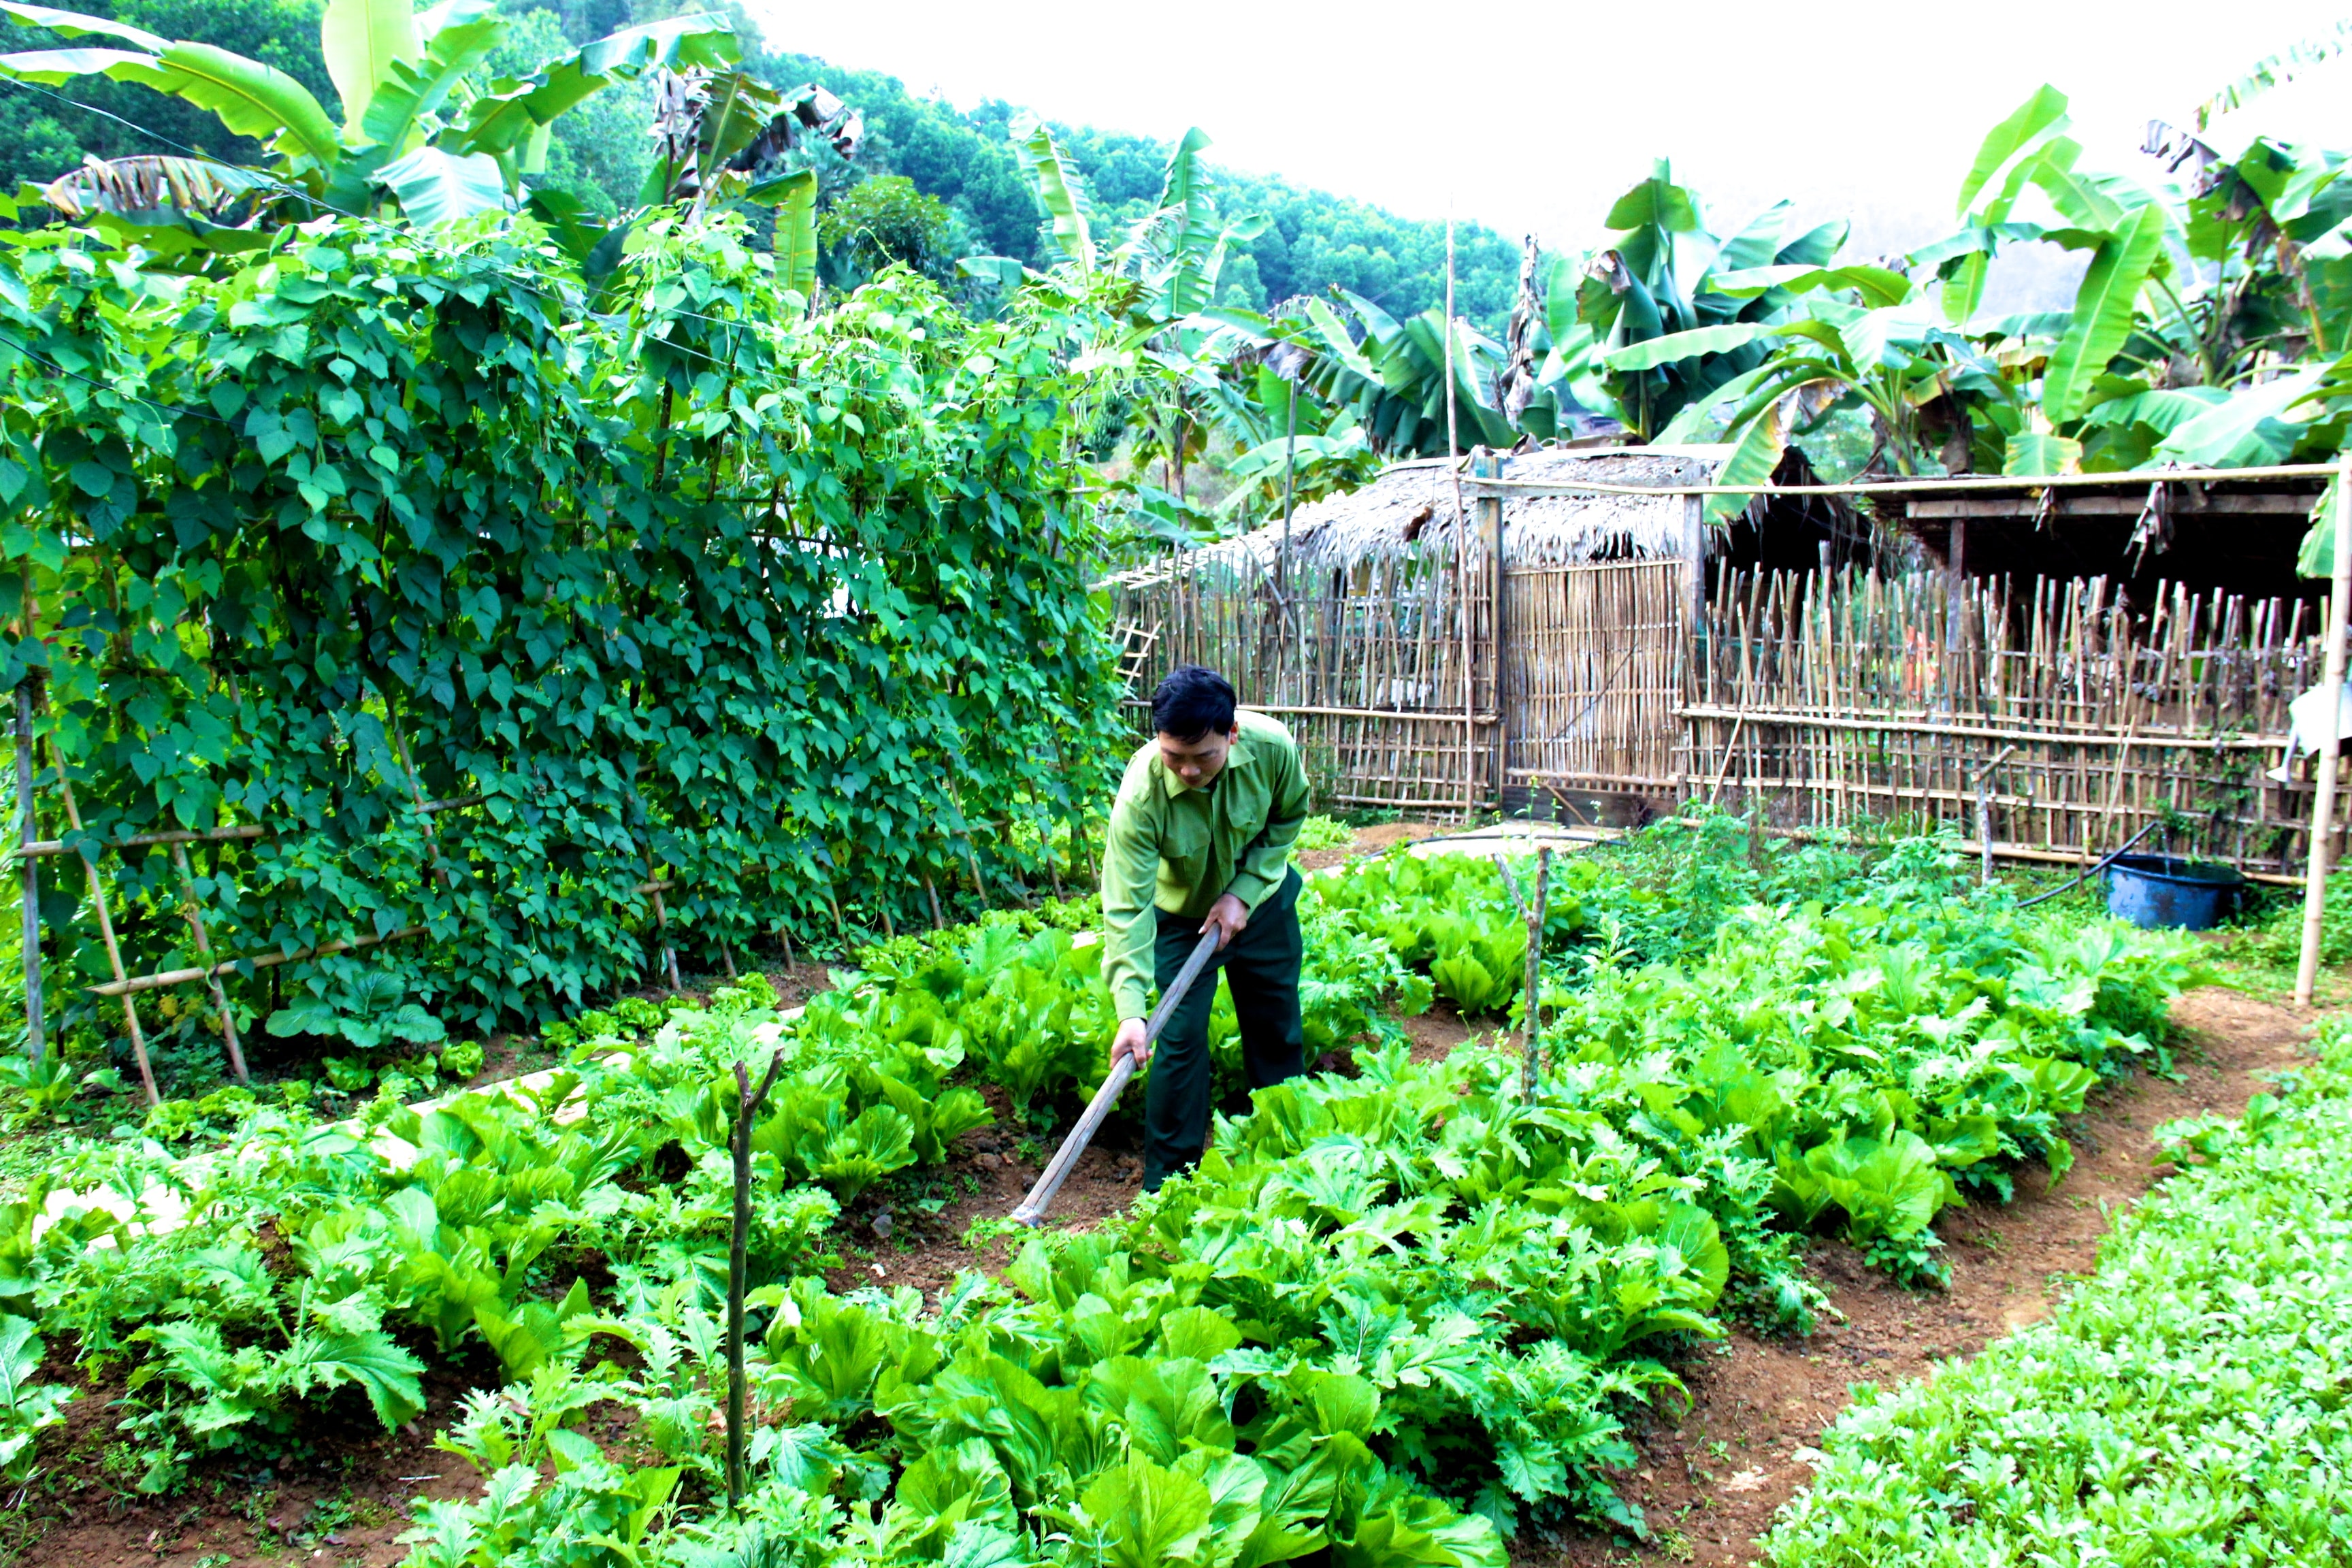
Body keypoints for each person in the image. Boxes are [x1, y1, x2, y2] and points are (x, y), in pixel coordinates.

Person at [1100, 664, 1310, 1190]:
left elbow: (1290, 815)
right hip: (1180, 922)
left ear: (1232, 734)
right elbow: (1126, 906)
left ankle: (1293, 1164)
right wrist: (1130, 1011)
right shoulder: (1142, 794)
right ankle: (1169, 1187)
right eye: (1174, 757)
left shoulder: (1272, 748)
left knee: (1275, 1028)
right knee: (1177, 1042)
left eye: (1204, 757)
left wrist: (1244, 890)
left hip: (1261, 908)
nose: (1188, 772)